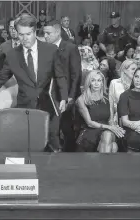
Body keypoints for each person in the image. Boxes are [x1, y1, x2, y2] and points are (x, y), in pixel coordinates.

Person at [0, 14, 68, 152]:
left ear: (35, 31)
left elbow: (60, 76)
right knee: (29, 145)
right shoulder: (12, 55)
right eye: (21, 34)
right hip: (25, 105)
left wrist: (64, 97)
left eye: (28, 34)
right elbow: (0, 78)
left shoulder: (50, 50)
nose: (24, 38)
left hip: (49, 104)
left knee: (53, 145)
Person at [43, 19, 81, 151]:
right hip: (49, 94)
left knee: (66, 127)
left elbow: (76, 75)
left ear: (58, 32)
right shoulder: (45, 49)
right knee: (51, 128)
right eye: (44, 33)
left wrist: (71, 96)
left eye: (48, 33)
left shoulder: (70, 48)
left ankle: (69, 154)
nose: (45, 36)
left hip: (66, 95)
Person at [76, 70, 124, 152]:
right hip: (90, 131)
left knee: (108, 135)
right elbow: (89, 123)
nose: (96, 83)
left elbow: (110, 120)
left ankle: (101, 164)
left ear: (102, 82)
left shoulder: (108, 98)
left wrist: (115, 128)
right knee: (113, 146)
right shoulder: (81, 99)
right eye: (93, 80)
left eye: (99, 80)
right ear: (89, 82)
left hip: (107, 131)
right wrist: (109, 127)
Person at [109, 59, 137, 125]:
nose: (135, 72)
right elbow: (111, 104)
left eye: (136, 69)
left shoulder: (138, 84)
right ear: (124, 70)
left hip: (134, 119)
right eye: (133, 69)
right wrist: (111, 120)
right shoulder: (114, 83)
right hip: (118, 118)